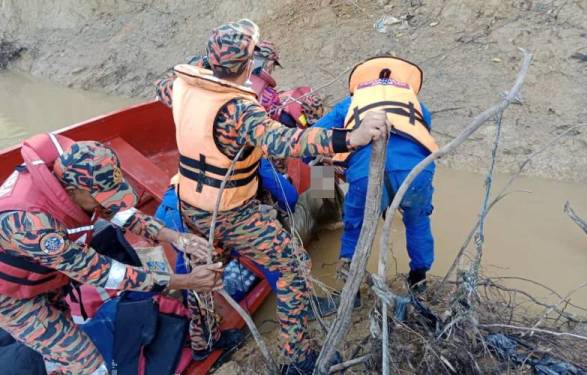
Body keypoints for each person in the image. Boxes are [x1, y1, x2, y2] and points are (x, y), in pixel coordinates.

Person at [156, 19, 389, 374]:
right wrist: (349, 138)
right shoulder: (241, 109)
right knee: (293, 266)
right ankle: (296, 358)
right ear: (250, 67)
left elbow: (164, 86)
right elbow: (288, 148)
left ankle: (204, 342)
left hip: (190, 205)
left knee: (202, 274)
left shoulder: (181, 86)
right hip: (237, 211)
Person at [0, 133, 223, 375]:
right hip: (10, 299)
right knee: (87, 362)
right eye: (102, 197)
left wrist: (176, 237)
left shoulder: (74, 179)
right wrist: (186, 281)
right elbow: (104, 273)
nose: (107, 203)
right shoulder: (31, 225)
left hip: (43, 274)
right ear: (73, 191)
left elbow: (120, 213)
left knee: (62, 331)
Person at [313, 56, 438, 292]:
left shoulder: (348, 103)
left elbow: (311, 138)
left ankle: (349, 277)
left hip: (363, 170)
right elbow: (422, 133)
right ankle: (419, 279)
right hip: (416, 171)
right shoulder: (414, 102)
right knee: (418, 220)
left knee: (354, 226)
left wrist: (324, 158)